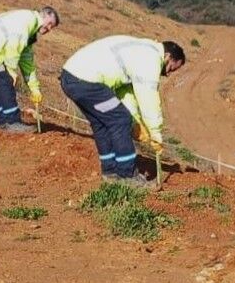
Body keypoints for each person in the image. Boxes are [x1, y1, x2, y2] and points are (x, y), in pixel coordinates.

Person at [60, 36, 186, 187]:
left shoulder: (142, 50)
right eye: (171, 68)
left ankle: (110, 171)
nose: (168, 73)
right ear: (167, 56)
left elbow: (126, 93)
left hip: (71, 78)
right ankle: (127, 175)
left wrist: (137, 121)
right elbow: (148, 97)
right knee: (120, 120)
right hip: (86, 82)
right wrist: (155, 132)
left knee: (102, 122)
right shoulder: (150, 59)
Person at [0, 7, 59, 134]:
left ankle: (2, 122)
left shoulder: (29, 27)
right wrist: (11, 72)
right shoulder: (27, 21)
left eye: (52, 27)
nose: (49, 29)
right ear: (44, 16)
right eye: (50, 24)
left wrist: (34, 88)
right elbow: (14, 47)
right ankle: (13, 122)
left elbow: (26, 60)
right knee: (5, 83)